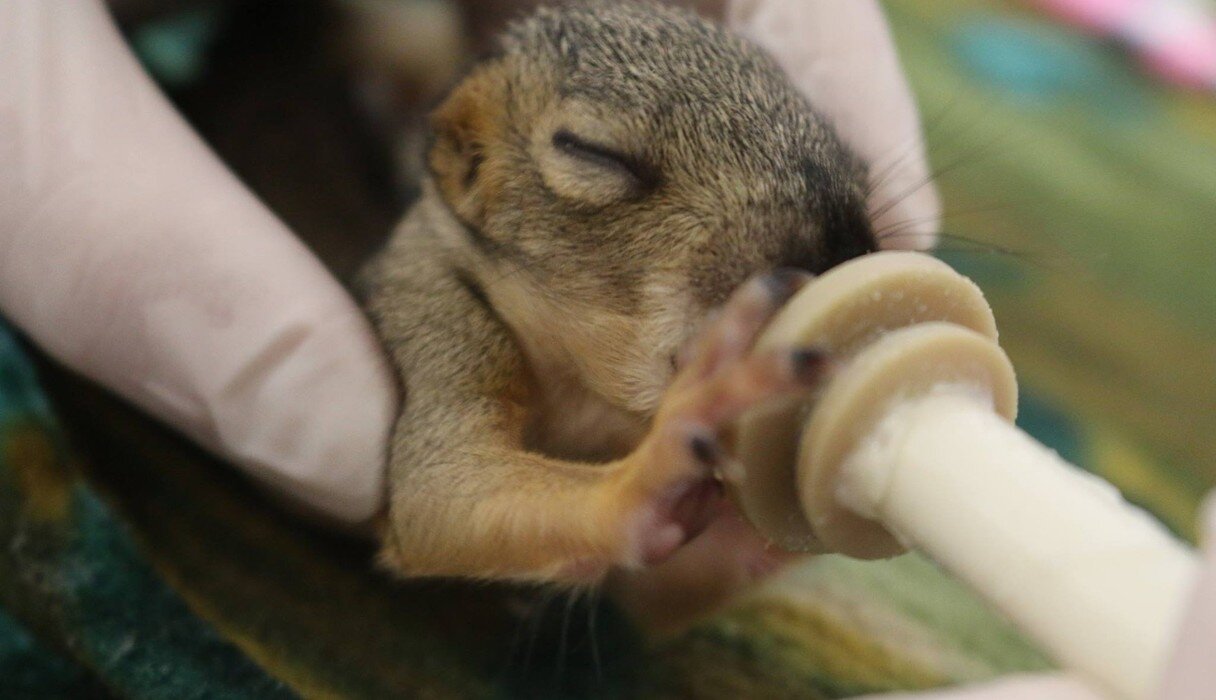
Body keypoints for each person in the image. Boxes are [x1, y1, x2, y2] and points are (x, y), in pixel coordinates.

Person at [2, 1, 1205, 696]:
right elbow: (440, 497)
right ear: (469, 176)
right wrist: (623, 492)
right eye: (601, 167)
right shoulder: (448, 292)